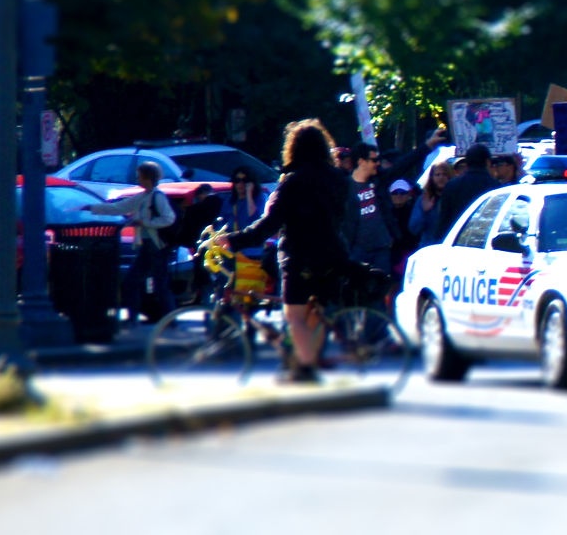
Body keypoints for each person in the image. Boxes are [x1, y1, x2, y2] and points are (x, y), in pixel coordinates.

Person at [210, 120, 354, 383]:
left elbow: (269, 224)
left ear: (293, 149)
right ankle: (308, 361)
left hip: (299, 255)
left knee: (294, 316)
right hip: (333, 253)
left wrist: (234, 239)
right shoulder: (339, 179)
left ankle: (306, 369)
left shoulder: (292, 182)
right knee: (317, 313)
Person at [80, 162, 178, 322]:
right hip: (147, 246)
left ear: (147, 178)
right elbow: (119, 207)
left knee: (157, 284)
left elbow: (169, 218)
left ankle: (169, 320)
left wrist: (144, 222)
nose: (137, 178)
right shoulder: (143, 196)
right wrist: (91, 207)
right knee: (136, 282)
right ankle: (136, 318)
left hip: (156, 247)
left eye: (139, 176)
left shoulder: (157, 196)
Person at [339, 143, 400, 274]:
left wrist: (428, 145)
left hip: (381, 248)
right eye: (374, 160)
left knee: (382, 288)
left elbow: (403, 165)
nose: (378, 163)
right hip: (357, 251)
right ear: (361, 161)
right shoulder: (344, 186)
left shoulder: (378, 180)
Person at [436, 145, 500, 242]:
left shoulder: (452, 185)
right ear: (487, 162)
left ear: (467, 163)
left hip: (455, 239)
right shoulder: (496, 187)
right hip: (484, 239)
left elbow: (444, 218)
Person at [409, 161, 453, 245]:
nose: (441, 178)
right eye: (437, 174)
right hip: (428, 246)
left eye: (444, 174)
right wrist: (424, 212)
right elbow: (414, 229)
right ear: (431, 177)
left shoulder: (456, 197)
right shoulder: (424, 198)